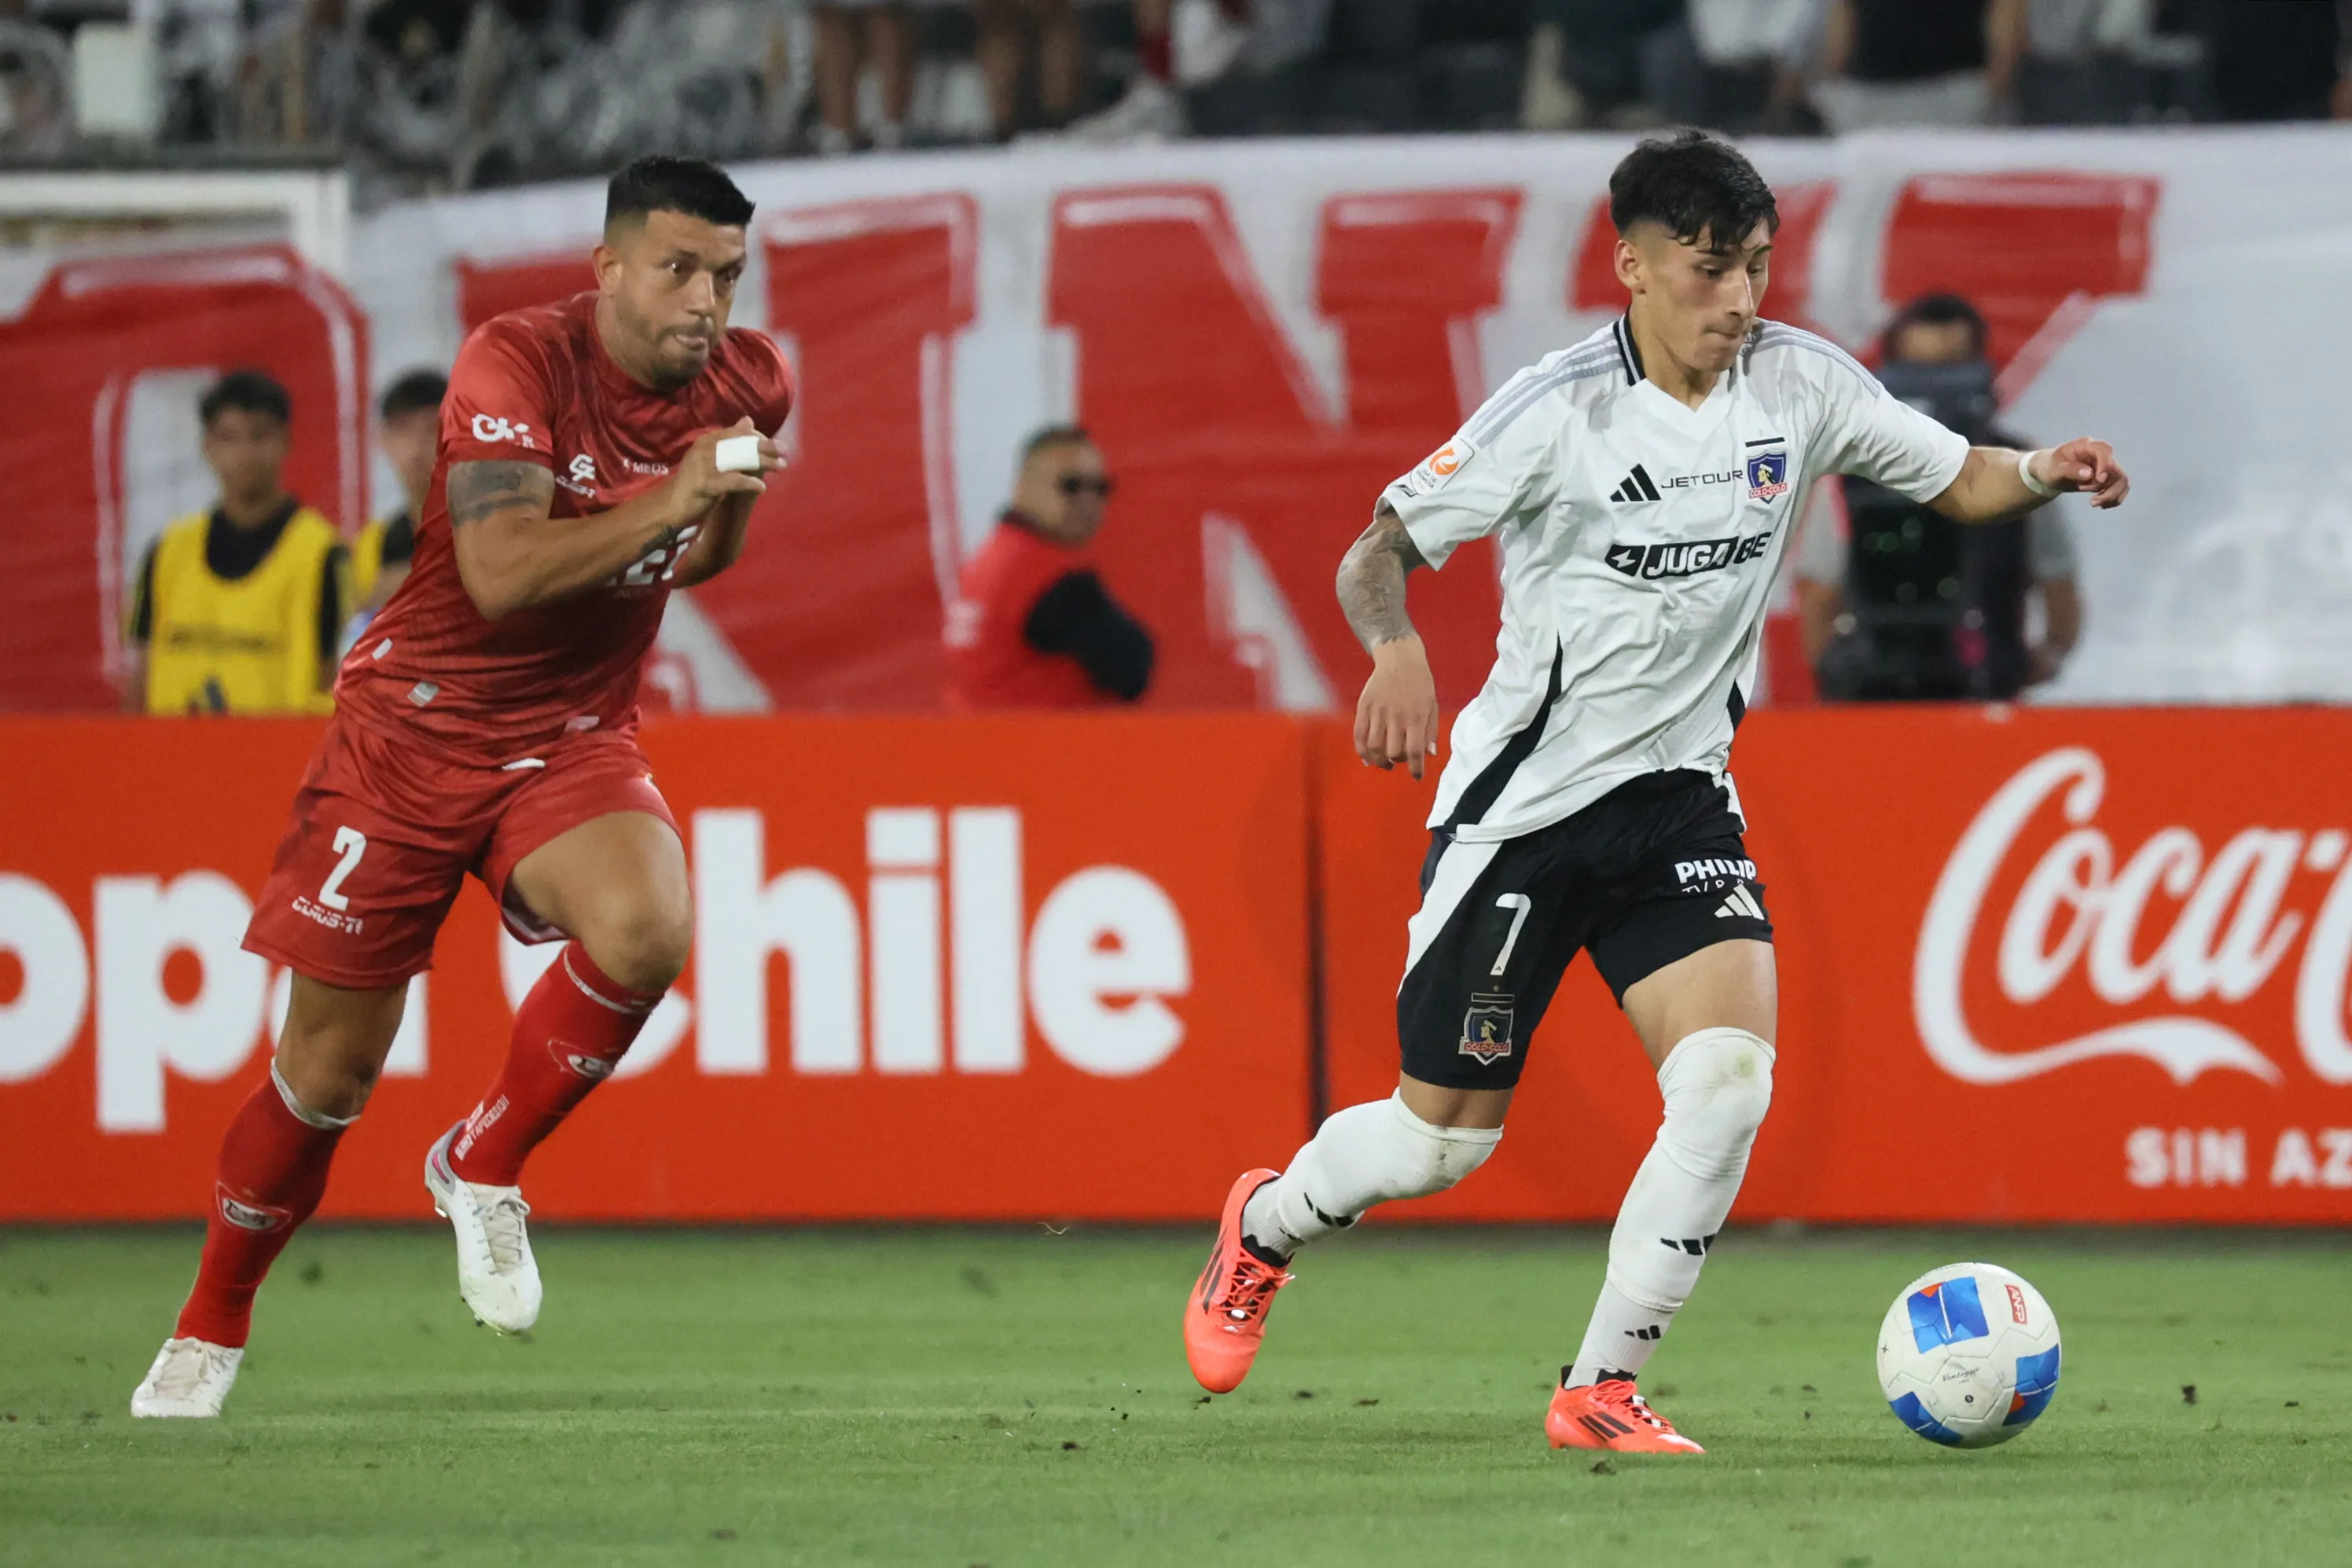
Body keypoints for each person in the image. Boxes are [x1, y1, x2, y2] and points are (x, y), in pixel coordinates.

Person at [1182, 130, 2129, 1454]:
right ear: (1630, 267)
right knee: (1435, 1145)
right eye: (1706, 270)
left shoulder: (1797, 385)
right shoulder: (1555, 409)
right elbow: (1377, 550)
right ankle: (1266, 1224)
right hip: (1522, 814)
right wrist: (1396, 649)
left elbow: (1956, 472)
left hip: (1680, 798)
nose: (1737, 299)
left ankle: (1599, 1387)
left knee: (1729, 1082)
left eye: (1751, 266)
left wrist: (2038, 474)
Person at [130, 154, 795, 1419]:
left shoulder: (752, 377)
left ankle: (482, 1158)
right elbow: (497, 573)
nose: (705, 298)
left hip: (571, 729)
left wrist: (725, 505)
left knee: (650, 924)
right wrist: (681, 487)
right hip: (413, 733)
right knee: (326, 1073)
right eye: (677, 268)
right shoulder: (515, 361)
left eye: (726, 273)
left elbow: (696, 553)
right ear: (607, 269)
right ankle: (209, 1324)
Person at [1795, 294, 2082, 699]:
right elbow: (1818, 597)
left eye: (1950, 373)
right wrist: (1838, 676)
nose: (1936, 394)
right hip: (1873, 700)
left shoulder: (2022, 469)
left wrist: (2041, 658)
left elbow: (2058, 585)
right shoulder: (1851, 474)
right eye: (1921, 373)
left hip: (1985, 697)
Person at [123, 369, 351, 716]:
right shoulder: (167, 552)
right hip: (172, 761)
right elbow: (139, 674)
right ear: (207, 446)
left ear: (286, 442)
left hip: (279, 762)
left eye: (260, 436)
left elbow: (340, 675)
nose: (246, 453)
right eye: (229, 438)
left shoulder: (324, 555)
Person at [945, 425, 1154, 707]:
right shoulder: (1046, 577)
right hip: (1042, 745)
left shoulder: (989, 561)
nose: (1088, 501)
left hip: (990, 740)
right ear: (1024, 487)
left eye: (1101, 488)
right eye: (1071, 486)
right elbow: (1132, 666)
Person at [1813, 0, 2026, 131]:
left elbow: (2006, 11)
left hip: (1954, 92)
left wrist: (1994, 84)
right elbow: (1845, 12)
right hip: (1868, 95)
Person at [352, 367, 449, 619]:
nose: (416, 447)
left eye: (431, 429)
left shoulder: (489, 526)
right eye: (403, 429)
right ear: (383, 439)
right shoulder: (374, 543)